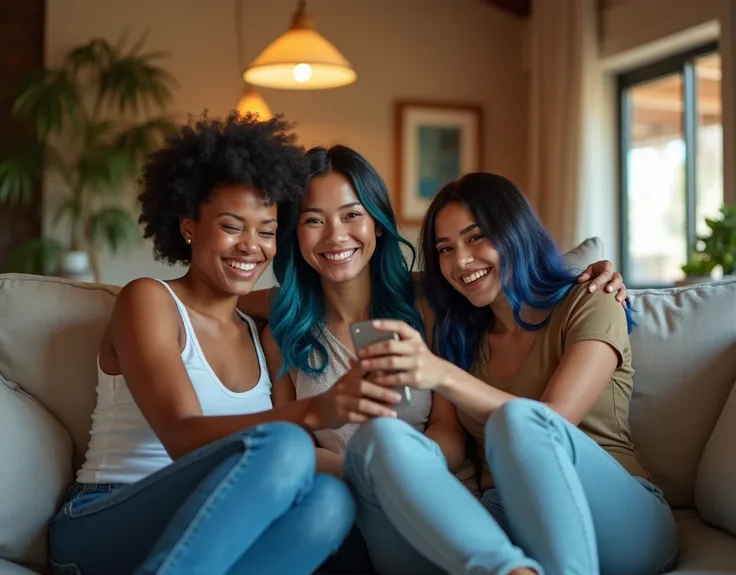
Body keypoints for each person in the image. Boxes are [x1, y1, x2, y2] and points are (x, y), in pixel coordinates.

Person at [48, 113, 400, 575]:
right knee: (285, 446)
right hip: (105, 515)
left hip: (209, 528)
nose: (251, 246)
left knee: (330, 503)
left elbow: (312, 301)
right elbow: (180, 436)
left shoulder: (262, 335)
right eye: (233, 226)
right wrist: (315, 411)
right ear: (190, 225)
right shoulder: (149, 300)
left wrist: (398, 475)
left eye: (267, 231)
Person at [342, 173, 677, 575]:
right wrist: (402, 461)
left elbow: (552, 422)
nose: (460, 261)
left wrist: (442, 375)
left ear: (516, 232)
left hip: (618, 516)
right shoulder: (456, 331)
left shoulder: (591, 300)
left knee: (517, 420)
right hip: (506, 515)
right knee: (378, 440)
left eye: (476, 237)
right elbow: (447, 433)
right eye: (444, 249)